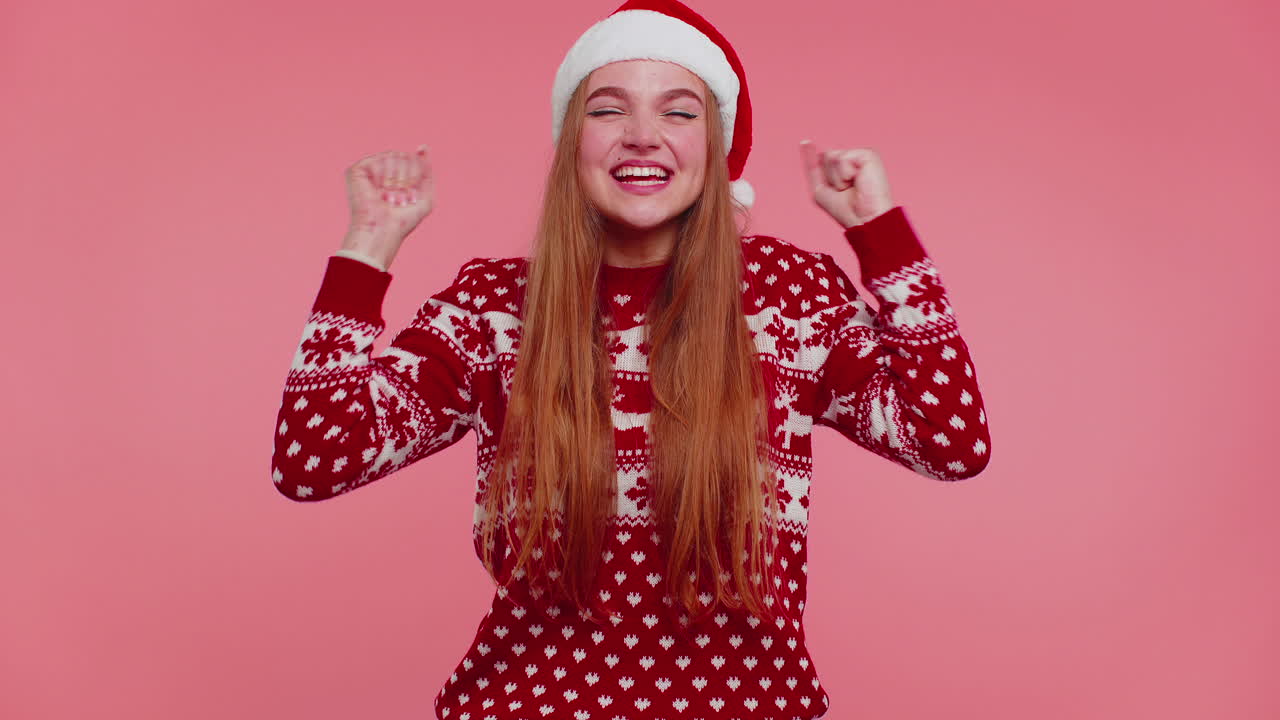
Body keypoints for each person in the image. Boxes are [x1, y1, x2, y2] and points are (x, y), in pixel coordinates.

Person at [270, 0, 992, 718]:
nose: (642, 137)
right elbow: (312, 463)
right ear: (570, 142)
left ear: (714, 148)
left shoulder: (789, 299)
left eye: (679, 114)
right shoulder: (494, 310)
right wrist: (369, 245)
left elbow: (950, 443)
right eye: (608, 111)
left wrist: (882, 236)